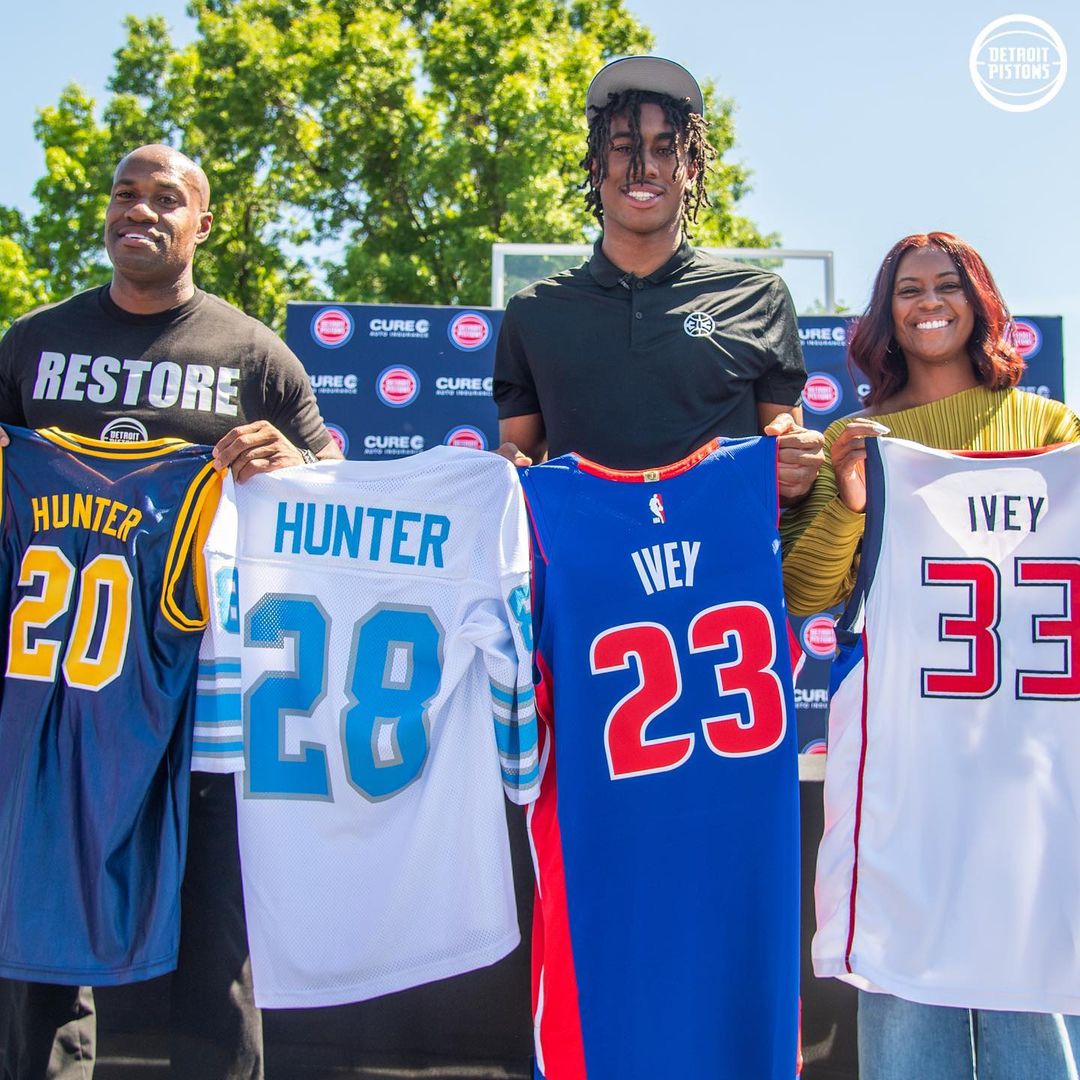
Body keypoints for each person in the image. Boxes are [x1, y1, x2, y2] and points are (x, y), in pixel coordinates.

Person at [0, 143, 341, 1080]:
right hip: (56, 690)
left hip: (201, 691)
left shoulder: (251, 352)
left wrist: (296, 465)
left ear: (202, 224)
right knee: (35, 941)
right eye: (125, 195)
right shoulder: (33, 342)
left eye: (165, 199)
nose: (139, 212)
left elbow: (333, 491)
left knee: (212, 946)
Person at [782, 231, 1080, 1079]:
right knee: (910, 994)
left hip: (1029, 763)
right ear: (887, 314)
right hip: (909, 760)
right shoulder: (863, 435)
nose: (929, 302)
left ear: (979, 300)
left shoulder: (1054, 428)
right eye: (908, 290)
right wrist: (845, 499)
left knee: (1035, 1011)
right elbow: (806, 593)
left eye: (946, 285)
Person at [493, 54, 823, 494]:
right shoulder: (533, 312)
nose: (644, 166)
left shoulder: (759, 296)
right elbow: (519, 463)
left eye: (666, 149)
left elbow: (786, 467)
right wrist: (504, 469)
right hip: (584, 559)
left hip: (720, 559)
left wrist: (796, 463)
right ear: (595, 166)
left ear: (691, 170)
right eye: (624, 147)